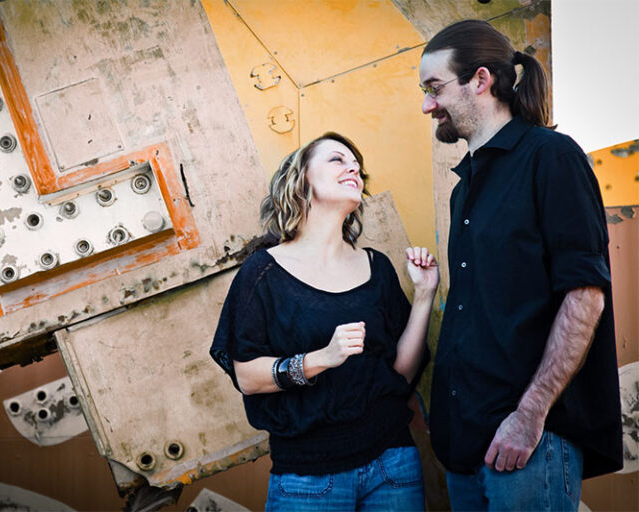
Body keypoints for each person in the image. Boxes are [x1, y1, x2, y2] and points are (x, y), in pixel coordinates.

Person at [418, 19, 623, 511]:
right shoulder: (464, 186)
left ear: (481, 80)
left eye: (434, 88)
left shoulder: (551, 157)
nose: (427, 105)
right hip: (467, 448)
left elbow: (585, 294)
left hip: (530, 442)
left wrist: (530, 415)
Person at [210, 132, 439, 511]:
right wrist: (322, 358)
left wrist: (425, 295)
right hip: (308, 477)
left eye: (357, 167)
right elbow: (248, 377)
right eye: (337, 160)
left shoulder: (376, 266)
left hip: (393, 465)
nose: (353, 169)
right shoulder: (263, 273)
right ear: (302, 181)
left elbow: (400, 373)